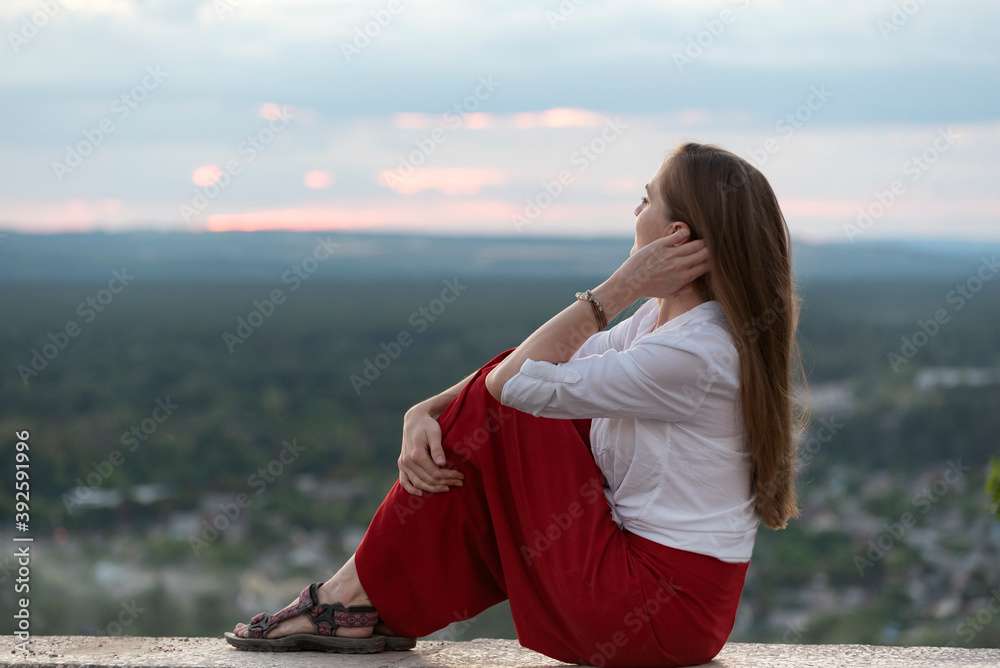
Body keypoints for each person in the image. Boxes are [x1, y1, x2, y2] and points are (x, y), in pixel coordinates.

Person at [225, 142, 805, 667]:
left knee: (514, 407)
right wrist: (425, 409)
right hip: (668, 604)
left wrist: (617, 288)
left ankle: (345, 600)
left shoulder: (694, 352)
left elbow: (516, 384)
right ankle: (355, 599)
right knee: (514, 401)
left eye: (646, 200)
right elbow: (537, 369)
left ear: (676, 235)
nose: (635, 212)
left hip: (651, 610)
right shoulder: (670, 321)